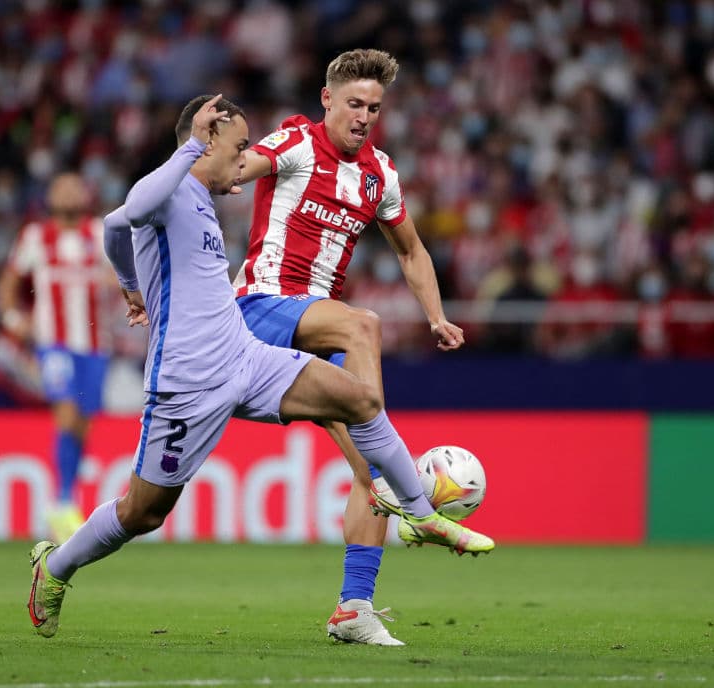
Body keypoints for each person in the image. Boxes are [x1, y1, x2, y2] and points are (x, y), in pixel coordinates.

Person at [26, 94, 494, 640]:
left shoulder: (201, 196)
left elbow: (110, 230)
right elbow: (127, 212)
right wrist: (189, 152)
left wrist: (131, 287)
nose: (245, 161)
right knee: (142, 512)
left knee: (359, 399)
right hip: (186, 382)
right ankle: (54, 569)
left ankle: (418, 510)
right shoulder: (171, 189)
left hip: (246, 357)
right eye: (240, 148)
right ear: (205, 142)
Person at [230, 49, 467, 645]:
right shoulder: (293, 144)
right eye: (355, 104)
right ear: (327, 99)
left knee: (369, 467)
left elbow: (411, 252)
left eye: (375, 108)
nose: (364, 116)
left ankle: (352, 609)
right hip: (259, 307)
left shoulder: (380, 174)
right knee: (364, 325)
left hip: (319, 323)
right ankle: (409, 495)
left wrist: (436, 316)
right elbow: (232, 173)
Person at [0, 173, 114, 543]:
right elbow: (9, 281)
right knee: (65, 412)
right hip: (54, 343)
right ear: (49, 195)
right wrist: (12, 318)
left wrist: (118, 282)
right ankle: (62, 503)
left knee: (82, 423)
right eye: (60, 186)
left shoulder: (97, 233)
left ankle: (66, 500)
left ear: (85, 194)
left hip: (94, 345)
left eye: (75, 186)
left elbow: (118, 276)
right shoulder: (35, 236)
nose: (68, 191)